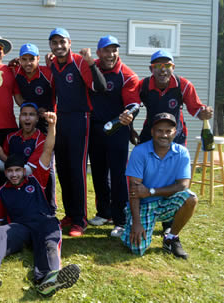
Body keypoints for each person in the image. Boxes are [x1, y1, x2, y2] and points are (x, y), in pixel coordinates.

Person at [0, 112, 81, 297]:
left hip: (42, 223)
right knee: (0, 233)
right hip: (20, 228)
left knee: (49, 237)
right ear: (4, 173)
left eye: (17, 171)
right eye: (10, 171)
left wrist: (52, 127)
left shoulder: (37, 179)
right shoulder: (2, 190)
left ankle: (49, 278)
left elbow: (47, 150)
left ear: (24, 171)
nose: (14, 175)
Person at [47, 27, 107, 237]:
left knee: (76, 169)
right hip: (61, 118)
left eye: (62, 42)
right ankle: (70, 214)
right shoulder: (53, 64)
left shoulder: (79, 61)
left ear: (69, 43)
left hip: (80, 118)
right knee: (62, 168)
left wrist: (90, 62)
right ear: (51, 47)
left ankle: (80, 220)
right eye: (55, 43)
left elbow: (100, 87)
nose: (59, 46)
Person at [122, 113, 198, 259]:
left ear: (175, 133)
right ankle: (130, 224)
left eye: (168, 131)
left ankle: (171, 238)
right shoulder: (139, 151)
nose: (164, 135)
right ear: (152, 132)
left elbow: (183, 185)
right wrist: (137, 223)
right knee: (137, 249)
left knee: (191, 198)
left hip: (166, 201)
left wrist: (150, 191)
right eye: (159, 130)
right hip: (144, 205)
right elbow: (134, 191)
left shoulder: (182, 152)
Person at [87, 35, 140, 238]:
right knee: (99, 172)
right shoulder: (91, 68)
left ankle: (120, 220)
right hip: (95, 128)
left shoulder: (127, 75)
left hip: (118, 129)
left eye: (114, 50)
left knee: (118, 175)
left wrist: (129, 115)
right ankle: (104, 213)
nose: (111, 54)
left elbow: (133, 104)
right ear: (99, 52)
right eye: (106, 50)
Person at [138, 50, 213, 145]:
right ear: (151, 69)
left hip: (175, 136)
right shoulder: (143, 85)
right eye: (157, 65)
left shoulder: (184, 85)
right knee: (140, 157)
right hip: (150, 134)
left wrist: (204, 113)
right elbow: (131, 107)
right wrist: (131, 129)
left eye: (167, 65)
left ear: (173, 67)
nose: (163, 69)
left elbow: (196, 109)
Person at [0, 103, 56, 209]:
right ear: (19, 117)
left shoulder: (41, 140)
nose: (27, 118)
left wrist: (0, 154)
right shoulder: (11, 137)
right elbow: (4, 165)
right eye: (24, 114)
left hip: (32, 186)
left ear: (37, 119)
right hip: (12, 181)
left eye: (31, 115)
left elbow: (28, 170)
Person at [12, 43, 55, 133]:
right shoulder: (15, 72)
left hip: (46, 120)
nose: (28, 63)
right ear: (19, 59)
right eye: (24, 59)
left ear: (38, 59)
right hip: (27, 120)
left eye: (32, 59)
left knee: (46, 146)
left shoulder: (48, 73)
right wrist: (33, 110)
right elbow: (18, 97)